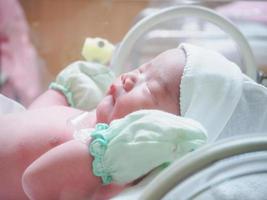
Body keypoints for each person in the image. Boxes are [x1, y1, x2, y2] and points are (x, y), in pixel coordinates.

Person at [0, 47, 187, 200]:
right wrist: (61, 92)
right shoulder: (87, 116)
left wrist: (98, 156)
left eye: (149, 88)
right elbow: (34, 117)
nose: (129, 78)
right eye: (141, 69)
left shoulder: (106, 172)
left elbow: (35, 182)